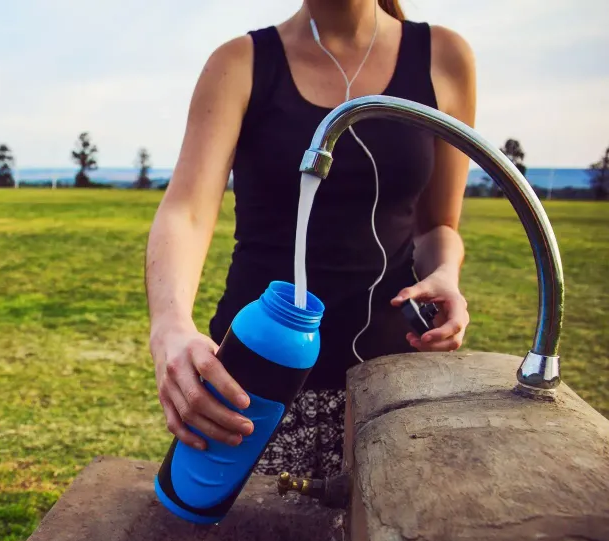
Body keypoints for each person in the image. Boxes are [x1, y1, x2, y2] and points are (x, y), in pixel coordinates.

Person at [144, 0, 475, 479]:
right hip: (253, 381)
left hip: (395, 380)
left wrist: (445, 272)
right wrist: (170, 325)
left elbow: (437, 226)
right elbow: (187, 211)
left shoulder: (443, 57)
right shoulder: (239, 63)